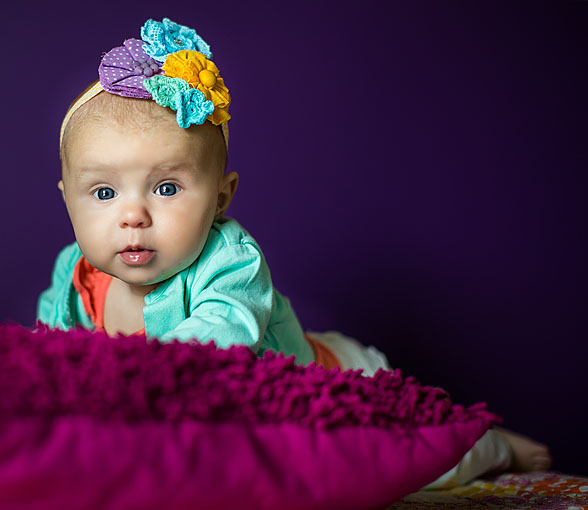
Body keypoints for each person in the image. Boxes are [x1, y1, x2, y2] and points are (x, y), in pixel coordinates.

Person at [35, 17, 552, 489]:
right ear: (68, 202)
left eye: (166, 188)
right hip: (245, 402)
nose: (134, 216)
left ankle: (491, 443)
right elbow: (50, 352)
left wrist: (130, 383)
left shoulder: (229, 263)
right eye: (104, 193)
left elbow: (218, 338)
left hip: (331, 383)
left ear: (220, 199)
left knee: (417, 459)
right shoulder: (77, 277)